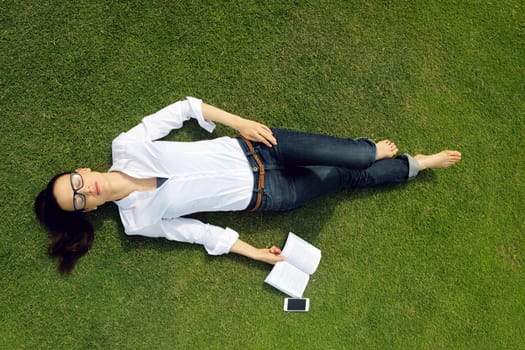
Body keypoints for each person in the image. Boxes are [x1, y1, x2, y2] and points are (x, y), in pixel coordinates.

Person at [34, 97, 462, 274]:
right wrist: (255, 253)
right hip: (270, 196)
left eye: (75, 182)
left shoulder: (126, 146)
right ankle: (417, 165)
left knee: (360, 155)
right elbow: (198, 233)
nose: (82, 190)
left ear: (83, 170)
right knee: (345, 178)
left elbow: (185, 107)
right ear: (86, 211)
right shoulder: (136, 221)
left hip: (261, 150)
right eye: (75, 200)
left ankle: (368, 151)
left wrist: (239, 123)